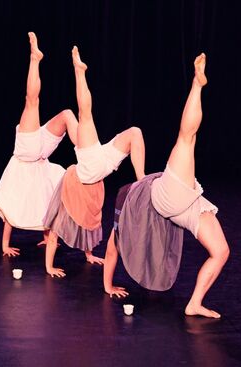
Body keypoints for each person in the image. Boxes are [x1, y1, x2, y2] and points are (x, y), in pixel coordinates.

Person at [103, 53, 230, 319]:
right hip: (168, 198)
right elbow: (113, 247)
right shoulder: (127, 203)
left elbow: (113, 247)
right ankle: (197, 84)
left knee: (221, 251)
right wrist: (107, 286)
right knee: (187, 139)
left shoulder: (130, 198)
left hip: (186, 205)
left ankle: (194, 304)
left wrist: (107, 285)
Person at [43, 45, 146, 277]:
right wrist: (49, 267)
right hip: (93, 166)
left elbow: (88, 224)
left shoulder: (88, 190)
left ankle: (141, 182)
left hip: (98, 160)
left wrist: (89, 256)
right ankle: (79, 71)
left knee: (135, 132)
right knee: (84, 114)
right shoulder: (74, 190)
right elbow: (55, 234)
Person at [0, 32, 78, 257]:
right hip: (34, 156)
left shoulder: (28, 180)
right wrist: (5, 246)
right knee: (35, 103)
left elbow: (15, 210)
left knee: (60, 112)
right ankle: (35, 58)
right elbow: (13, 213)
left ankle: (87, 154)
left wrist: (46, 238)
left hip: (32, 153)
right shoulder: (37, 181)